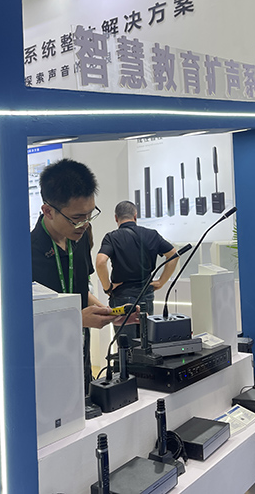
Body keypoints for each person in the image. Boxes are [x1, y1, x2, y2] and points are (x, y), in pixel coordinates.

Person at [31, 158, 123, 390]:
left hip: (80, 358)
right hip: (44, 366)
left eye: (90, 214)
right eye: (77, 218)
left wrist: (110, 313)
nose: (85, 224)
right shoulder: (25, 253)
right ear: (48, 211)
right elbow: (22, 320)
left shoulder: (80, 239)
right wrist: (77, 319)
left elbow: (80, 291)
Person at [96, 200, 178, 337]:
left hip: (121, 296)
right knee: (146, 341)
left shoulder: (111, 237)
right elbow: (173, 255)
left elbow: (100, 262)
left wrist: (107, 287)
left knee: (125, 344)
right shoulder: (152, 234)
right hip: (146, 294)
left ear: (116, 218)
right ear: (135, 216)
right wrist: (161, 282)